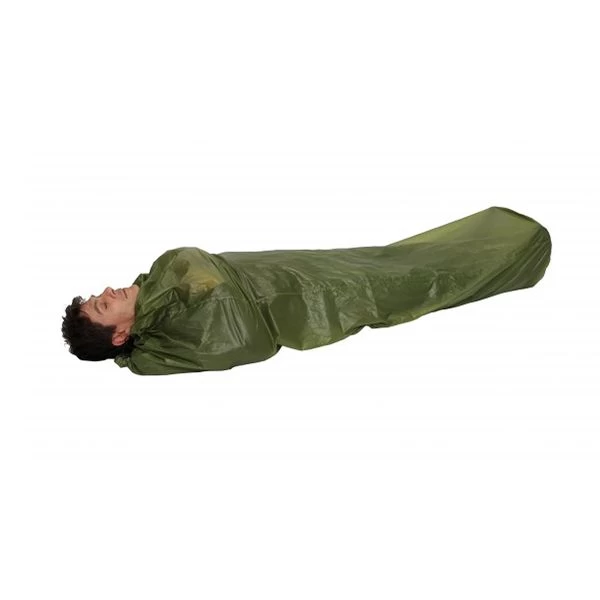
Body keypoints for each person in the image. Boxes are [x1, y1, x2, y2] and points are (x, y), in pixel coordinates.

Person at [62, 206, 552, 375]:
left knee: (390, 260)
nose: (108, 290)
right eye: (104, 304)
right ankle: (519, 254)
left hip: (297, 268)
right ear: (120, 334)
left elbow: (193, 264)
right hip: (321, 297)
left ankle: (505, 247)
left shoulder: (157, 291)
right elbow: (247, 341)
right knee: (410, 282)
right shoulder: (165, 340)